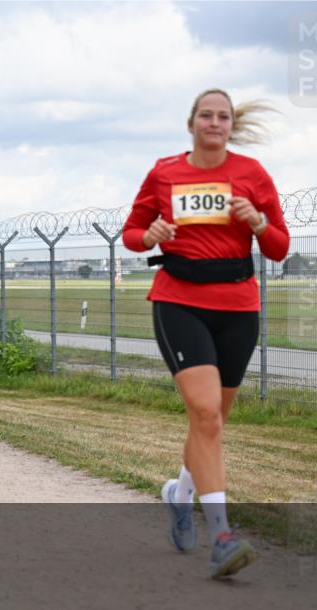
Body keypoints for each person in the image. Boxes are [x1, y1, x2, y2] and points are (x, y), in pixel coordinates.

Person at [122, 89, 290, 579]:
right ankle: (222, 537)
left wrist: (256, 221)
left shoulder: (252, 174)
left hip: (238, 306)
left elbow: (279, 247)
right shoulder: (165, 172)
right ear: (191, 122)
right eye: (206, 115)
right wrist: (149, 236)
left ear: (231, 125)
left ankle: (179, 494)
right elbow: (132, 232)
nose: (214, 122)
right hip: (178, 300)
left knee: (213, 421)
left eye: (223, 116)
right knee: (206, 413)